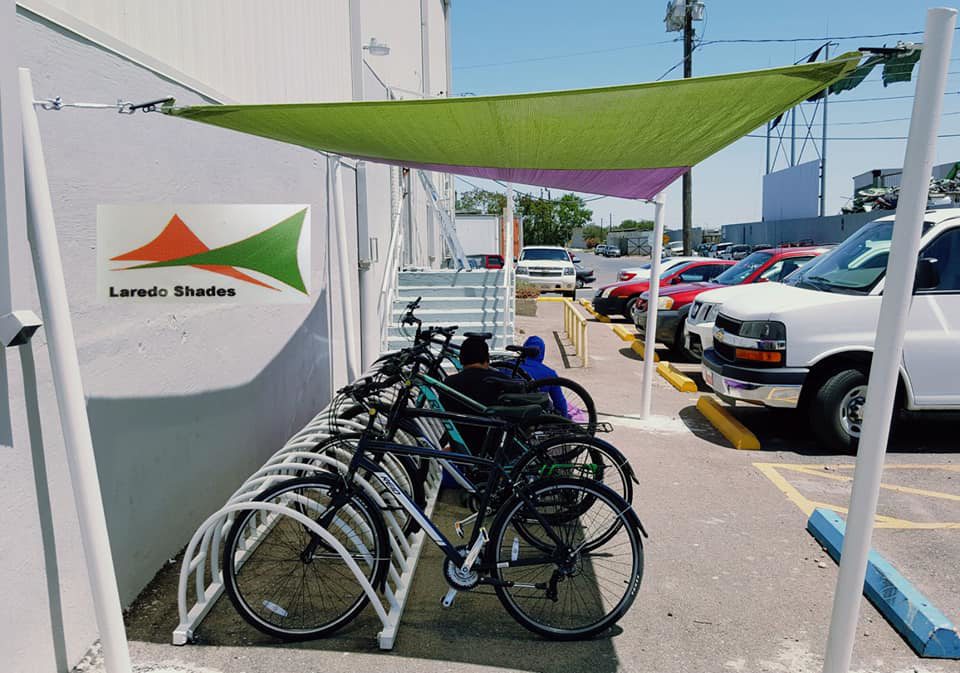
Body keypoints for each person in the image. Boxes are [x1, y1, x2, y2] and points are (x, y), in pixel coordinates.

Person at [438, 336, 512, 455]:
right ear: (487, 358)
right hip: (495, 453)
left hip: (462, 452)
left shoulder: (449, 384)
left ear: (461, 359)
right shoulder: (502, 381)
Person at [518, 335, 570, 418]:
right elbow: (559, 402)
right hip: (536, 416)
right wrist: (565, 421)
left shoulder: (509, 366)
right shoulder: (549, 373)